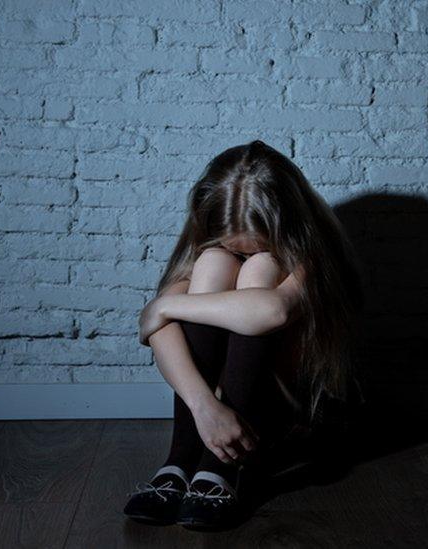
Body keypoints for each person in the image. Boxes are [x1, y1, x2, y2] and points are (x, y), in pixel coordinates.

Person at [123, 139, 365, 530]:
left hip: (283, 406)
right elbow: (161, 335)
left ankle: (221, 467)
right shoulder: (211, 248)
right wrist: (205, 407)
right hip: (214, 412)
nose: (243, 255)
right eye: (237, 247)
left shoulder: (315, 254)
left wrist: (164, 305)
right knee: (212, 264)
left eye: (256, 246)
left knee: (260, 273)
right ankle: (183, 460)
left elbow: (273, 310)